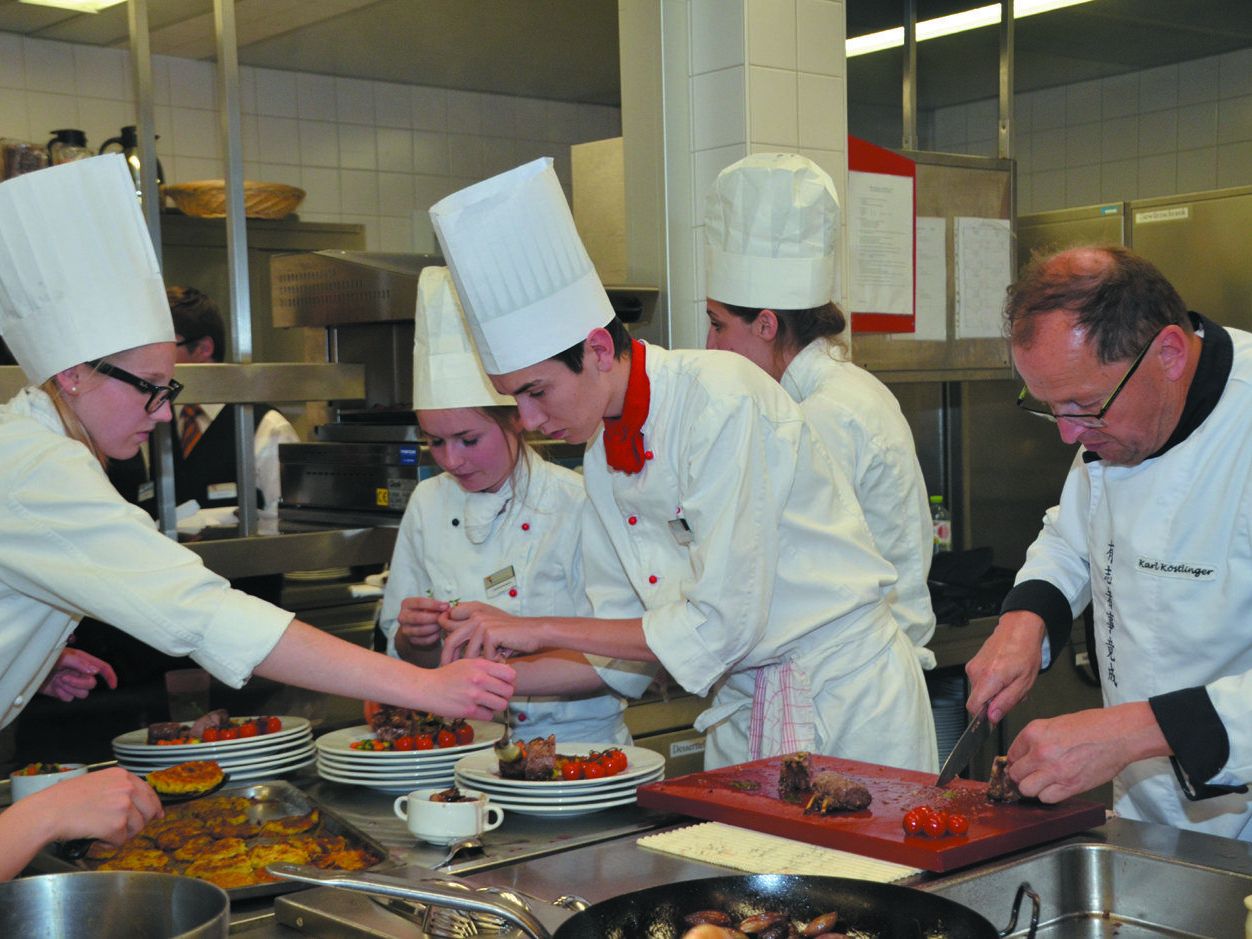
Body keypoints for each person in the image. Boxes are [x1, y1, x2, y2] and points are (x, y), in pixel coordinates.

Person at [0, 155, 514, 880]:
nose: (163, 412)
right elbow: (202, 611)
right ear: (73, 375)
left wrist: (32, 654)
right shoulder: (38, 467)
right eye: (150, 387)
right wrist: (423, 687)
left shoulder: (32, 448)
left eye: (169, 388)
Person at [431, 157, 936, 772]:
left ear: (597, 350)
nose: (530, 420)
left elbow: (720, 624)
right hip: (746, 711)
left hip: (845, 702)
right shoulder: (600, 457)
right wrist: (474, 679)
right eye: (514, 400)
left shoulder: (721, 398)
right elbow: (621, 643)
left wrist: (537, 627)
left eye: (537, 392)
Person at [964, 244, 1252, 839]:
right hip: (1150, 811)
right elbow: (1073, 536)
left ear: (1168, 353)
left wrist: (1132, 731)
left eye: (1084, 405)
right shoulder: (1118, 424)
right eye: (1051, 409)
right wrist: (1025, 621)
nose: (1069, 434)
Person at [378, 266, 637, 743]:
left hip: (578, 748)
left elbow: (623, 661)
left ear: (516, 419)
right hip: (459, 745)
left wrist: (488, 673)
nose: (451, 460)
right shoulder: (427, 502)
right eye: (435, 441)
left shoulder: (579, 502)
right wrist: (413, 638)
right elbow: (411, 661)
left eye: (468, 439)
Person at [702, 153, 936, 670]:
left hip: (853, 680)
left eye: (717, 325)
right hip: (849, 670)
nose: (710, 345)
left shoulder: (826, 414)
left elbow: (778, 569)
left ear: (766, 325)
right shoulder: (838, 392)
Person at [168, 284, 299, 522]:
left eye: (167, 346)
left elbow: (287, 522)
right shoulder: (152, 421)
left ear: (204, 348)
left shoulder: (266, 427)